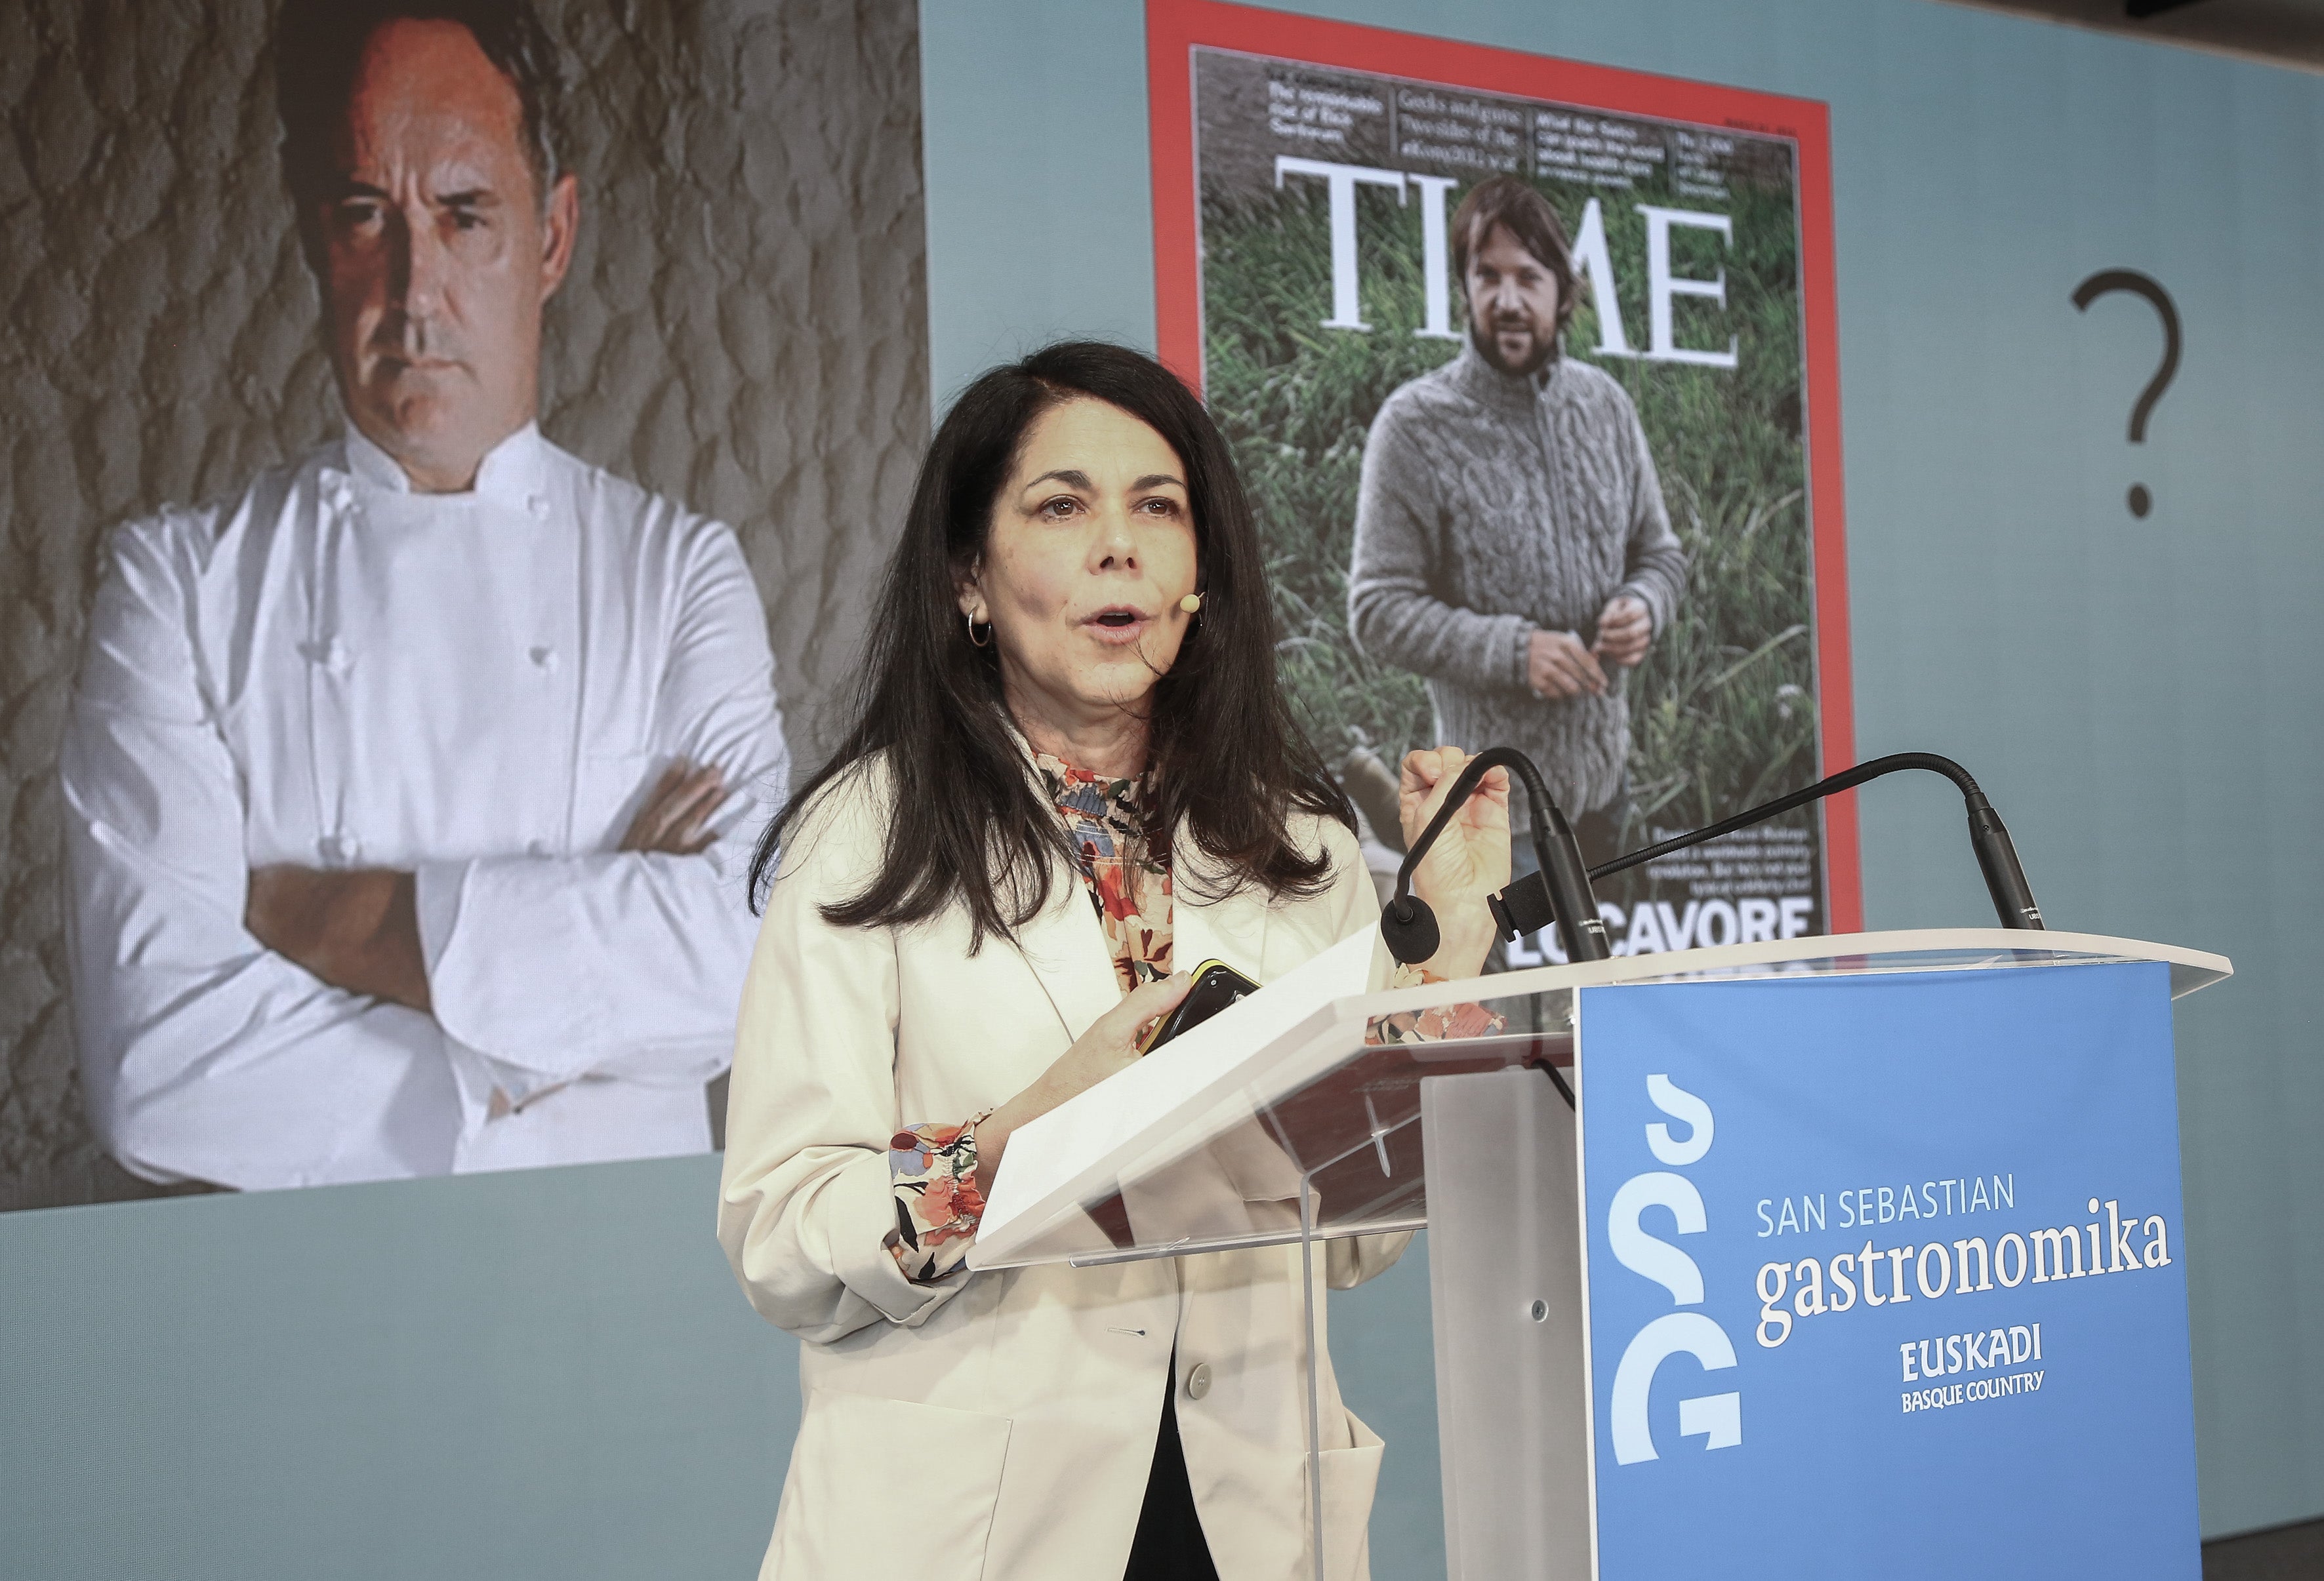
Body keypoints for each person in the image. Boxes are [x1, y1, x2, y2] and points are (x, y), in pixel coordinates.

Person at [718, 342, 1511, 1579]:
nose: (1118, 544)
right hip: (976, 1531)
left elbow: (1354, 1239)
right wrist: (1025, 1135)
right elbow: (778, 1236)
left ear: (1201, 578)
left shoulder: (1294, 839)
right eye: (1060, 505)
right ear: (970, 580)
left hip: (1247, 1514)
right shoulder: (865, 839)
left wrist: (1453, 938)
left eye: (1158, 507)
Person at [57, 0, 786, 1188]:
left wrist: (331, 924)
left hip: (602, 1298)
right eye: (364, 216)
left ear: (552, 236)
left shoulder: (677, 573)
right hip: (301, 1308)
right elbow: (158, 1072)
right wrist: (529, 1056)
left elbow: (755, 964)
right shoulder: (176, 587)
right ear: (309, 234)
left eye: (463, 215)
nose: (415, 289)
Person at [1347, 174, 1686, 868]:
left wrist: (1644, 603)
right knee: (1521, 983)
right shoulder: (1415, 426)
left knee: (1611, 976)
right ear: (1465, 287)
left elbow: (1660, 553)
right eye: (1486, 275)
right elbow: (1377, 608)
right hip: (1495, 809)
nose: (1506, 299)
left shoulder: (1607, 405)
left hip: (1605, 786)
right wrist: (1514, 651)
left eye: (1528, 277)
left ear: (1563, 292)